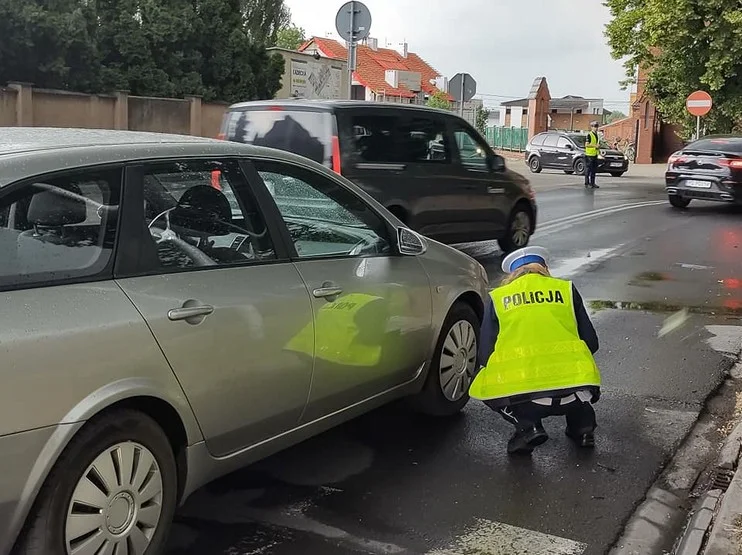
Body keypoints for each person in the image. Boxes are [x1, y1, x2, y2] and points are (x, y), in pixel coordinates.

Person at [469, 246, 601, 455]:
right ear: (545, 268)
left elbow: (485, 353)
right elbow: (591, 342)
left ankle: (528, 427)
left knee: (482, 385)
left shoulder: (498, 297)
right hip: (577, 393)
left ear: (511, 274)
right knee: (576, 386)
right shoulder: (565, 289)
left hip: (527, 400)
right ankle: (583, 428)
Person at [584, 121, 601, 189]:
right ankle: (587, 183)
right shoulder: (589, 135)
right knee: (588, 170)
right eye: (594, 127)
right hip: (589, 155)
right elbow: (586, 145)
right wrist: (595, 146)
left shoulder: (597, 135)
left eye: (597, 127)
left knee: (594, 170)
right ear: (591, 127)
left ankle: (592, 183)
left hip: (595, 154)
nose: (596, 128)